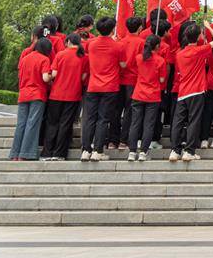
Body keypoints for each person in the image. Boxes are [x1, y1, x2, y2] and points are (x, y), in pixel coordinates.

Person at [169, 21, 213, 162]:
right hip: (197, 90)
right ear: (198, 36)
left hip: (183, 91)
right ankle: (189, 151)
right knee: (194, 121)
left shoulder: (179, 54)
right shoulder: (199, 50)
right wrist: (209, 27)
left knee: (178, 121)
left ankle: (175, 150)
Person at [81, 16, 126, 162]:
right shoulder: (118, 46)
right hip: (110, 86)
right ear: (113, 29)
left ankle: (86, 149)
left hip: (93, 85)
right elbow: (123, 65)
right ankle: (98, 150)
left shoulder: (91, 44)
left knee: (90, 119)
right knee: (103, 119)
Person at [42, 33, 86, 161]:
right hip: (73, 95)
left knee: (52, 124)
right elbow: (83, 77)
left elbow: (54, 73)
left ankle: (47, 153)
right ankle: (59, 153)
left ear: (68, 42)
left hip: (56, 94)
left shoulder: (60, 54)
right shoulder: (84, 57)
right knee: (65, 124)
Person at [10, 38, 52, 161]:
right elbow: (45, 78)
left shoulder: (24, 59)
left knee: (21, 124)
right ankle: (26, 153)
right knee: (32, 124)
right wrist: (51, 77)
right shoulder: (44, 59)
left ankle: (15, 154)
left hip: (23, 94)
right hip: (37, 95)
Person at [127, 35, 167, 161]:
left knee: (135, 123)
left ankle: (132, 151)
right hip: (153, 95)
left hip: (138, 93)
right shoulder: (160, 61)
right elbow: (161, 79)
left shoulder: (139, 58)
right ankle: (143, 151)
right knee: (148, 125)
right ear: (157, 46)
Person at [112, 16, 145, 149]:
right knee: (129, 111)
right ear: (140, 28)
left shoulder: (120, 42)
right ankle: (123, 140)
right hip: (134, 79)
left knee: (116, 110)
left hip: (119, 79)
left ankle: (112, 140)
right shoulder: (142, 43)